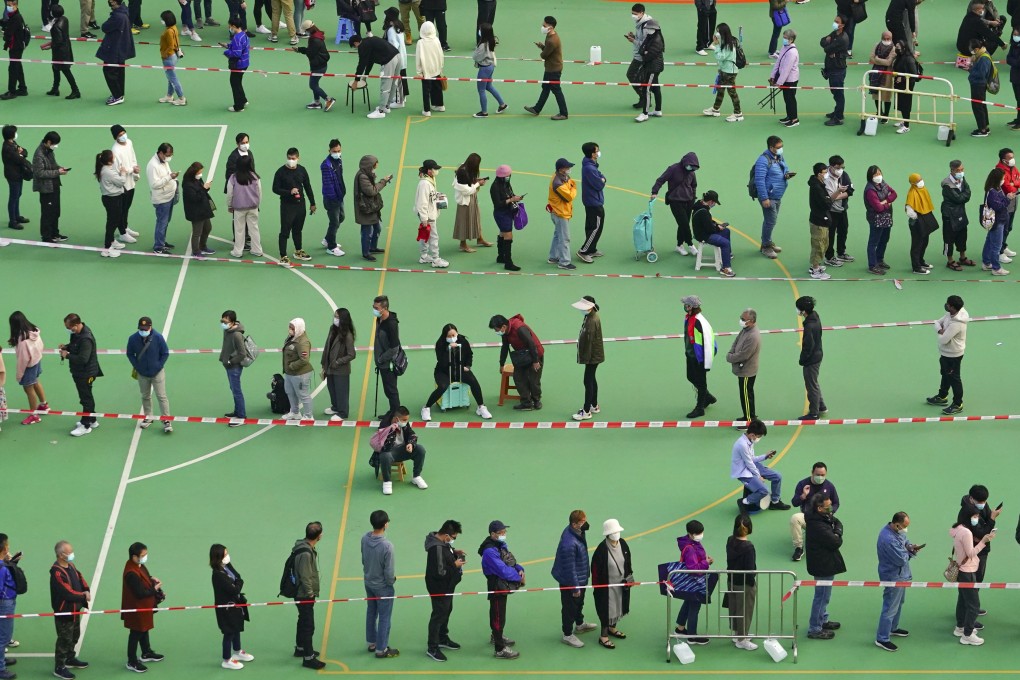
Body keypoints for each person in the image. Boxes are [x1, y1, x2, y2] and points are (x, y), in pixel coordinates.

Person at [420, 323, 492, 421]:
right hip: (443, 371)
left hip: (459, 369)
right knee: (443, 386)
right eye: (449, 336)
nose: (452, 338)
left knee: (473, 382)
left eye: (453, 335)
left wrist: (468, 366)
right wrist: (448, 350)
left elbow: (469, 354)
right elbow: (442, 362)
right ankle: (426, 408)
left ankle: (481, 407)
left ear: (457, 333)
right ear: (445, 336)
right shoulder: (440, 344)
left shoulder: (463, 341)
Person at [875, 513, 920, 652]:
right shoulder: (887, 539)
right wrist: (910, 552)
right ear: (896, 524)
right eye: (904, 527)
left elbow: (904, 541)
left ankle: (893, 628)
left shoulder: (895, 531)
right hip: (892, 576)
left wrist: (909, 546)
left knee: (899, 602)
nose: (905, 529)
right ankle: (882, 638)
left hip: (900, 575)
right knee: (890, 607)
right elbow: (901, 559)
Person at [552, 510, 597, 648]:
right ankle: (567, 635)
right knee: (569, 608)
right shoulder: (569, 543)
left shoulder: (577, 532)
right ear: (574, 524)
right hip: (571, 580)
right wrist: (575, 587)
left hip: (580, 576)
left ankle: (579, 624)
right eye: (582, 522)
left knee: (579, 603)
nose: (585, 524)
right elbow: (569, 568)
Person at [478, 520, 523, 659]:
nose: (504, 534)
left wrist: (519, 568)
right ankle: (499, 649)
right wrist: (518, 578)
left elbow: (509, 560)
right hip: (496, 585)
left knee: (498, 612)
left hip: (501, 584)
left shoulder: (500, 545)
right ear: (493, 534)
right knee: (498, 615)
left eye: (505, 532)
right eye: (501, 533)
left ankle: (496, 636)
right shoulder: (489, 551)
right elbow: (502, 570)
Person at [805, 493, 845, 640]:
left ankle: (822, 619)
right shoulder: (817, 525)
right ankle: (815, 628)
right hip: (823, 565)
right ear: (819, 508)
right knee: (821, 596)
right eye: (828, 507)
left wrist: (837, 532)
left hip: (824, 562)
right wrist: (837, 534)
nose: (831, 510)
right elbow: (835, 543)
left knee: (824, 595)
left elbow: (838, 523)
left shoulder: (822, 517)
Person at [121, 542, 165, 673]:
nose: (145, 557)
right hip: (136, 608)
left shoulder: (138, 565)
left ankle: (146, 652)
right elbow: (140, 593)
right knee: (136, 633)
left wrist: (151, 579)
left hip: (144, 607)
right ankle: (132, 661)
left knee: (144, 629)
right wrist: (154, 589)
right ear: (134, 556)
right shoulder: (131, 573)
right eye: (143, 555)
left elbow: (144, 579)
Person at [424, 519, 464, 662]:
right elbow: (440, 572)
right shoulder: (437, 549)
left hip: (447, 586)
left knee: (447, 610)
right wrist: (455, 564)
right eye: (453, 538)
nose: (453, 540)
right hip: (439, 587)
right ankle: (432, 648)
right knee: (439, 614)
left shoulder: (442, 544)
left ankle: (442, 638)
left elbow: (445, 554)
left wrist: (454, 552)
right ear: (446, 535)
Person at [50, 541, 90, 680]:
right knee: (64, 640)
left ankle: (70, 658)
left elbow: (80, 578)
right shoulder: (56, 572)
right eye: (69, 552)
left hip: (75, 610)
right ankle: (59, 667)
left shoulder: (71, 565)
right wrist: (83, 595)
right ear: (61, 555)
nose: (72, 554)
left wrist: (86, 589)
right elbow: (67, 593)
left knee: (74, 635)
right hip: (64, 611)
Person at [209, 544, 254, 670]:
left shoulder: (227, 566)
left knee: (237, 628)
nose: (228, 556)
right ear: (219, 557)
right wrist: (238, 584)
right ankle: (226, 659)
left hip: (235, 605)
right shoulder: (218, 575)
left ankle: (237, 651)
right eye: (225, 554)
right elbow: (234, 589)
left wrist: (237, 583)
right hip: (226, 608)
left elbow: (238, 577)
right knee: (229, 632)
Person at [956, 485, 999, 613]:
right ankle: (968, 616)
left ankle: (971, 609)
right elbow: (981, 533)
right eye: (980, 502)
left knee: (977, 583)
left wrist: (988, 520)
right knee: (970, 586)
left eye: (985, 501)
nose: (983, 504)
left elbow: (982, 528)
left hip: (981, 551)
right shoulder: (969, 512)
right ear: (971, 498)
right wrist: (992, 518)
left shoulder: (981, 502)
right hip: (972, 554)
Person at [950, 515, 993, 645]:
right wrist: (983, 541)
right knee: (974, 605)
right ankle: (967, 635)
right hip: (967, 572)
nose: (978, 520)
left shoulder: (958, 530)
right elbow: (971, 553)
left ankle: (960, 627)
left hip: (962, 571)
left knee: (963, 600)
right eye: (975, 517)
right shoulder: (967, 532)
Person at [58, 313, 102, 438]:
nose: (68, 330)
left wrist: (67, 355)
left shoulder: (86, 338)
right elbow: (75, 347)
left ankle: (85, 425)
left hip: (86, 373)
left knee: (85, 398)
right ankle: (92, 420)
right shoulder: (77, 334)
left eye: (69, 327)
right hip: (80, 372)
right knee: (86, 395)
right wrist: (66, 347)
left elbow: (83, 359)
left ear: (76, 325)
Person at [591, 519, 632, 651]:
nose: (616, 534)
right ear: (608, 534)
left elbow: (628, 562)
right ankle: (603, 637)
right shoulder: (601, 549)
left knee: (618, 607)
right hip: (606, 588)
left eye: (617, 531)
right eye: (614, 532)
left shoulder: (624, 544)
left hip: (621, 585)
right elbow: (595, 570)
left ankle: (612, 628)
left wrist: (630, 578)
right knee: (606, 610)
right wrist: (597, 587)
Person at [126, 316, 172, 433]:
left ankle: (166, 420)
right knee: (145, 396)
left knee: (161, 396)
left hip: (157, 373)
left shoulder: (158, 337)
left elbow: (165, 353)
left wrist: (158, 366)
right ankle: (148, 417)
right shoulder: (133, 339)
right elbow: (130, 353)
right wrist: (137, 366)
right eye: (141, 328)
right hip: (142, 374)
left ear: (150, 327)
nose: (143, 331)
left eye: (145, 329)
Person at [731, 419, 788, 513]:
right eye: (759, 436)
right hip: (743, 471)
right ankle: (744, 502)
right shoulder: (742, 445)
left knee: (777, 476)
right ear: (753, 435)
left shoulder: (750, 440)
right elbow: (749, 463)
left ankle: (775, 501)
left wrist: (765, 456)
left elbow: (752, 459)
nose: (759, 438)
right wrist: (759, 476)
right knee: (764, 491)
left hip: (752, 465)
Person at [362, 510, 398, 658]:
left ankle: (372, 642)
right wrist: (392, 581)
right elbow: (389, 571)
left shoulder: (365, 538)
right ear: (385, 525)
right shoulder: (387, 546)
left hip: (368, 581)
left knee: (371, 611)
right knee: (384, 616)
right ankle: (381, 649)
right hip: (383, 587)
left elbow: (364, 559)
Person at [490, 313, 544, 411]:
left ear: (503, 326)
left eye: (496, 329)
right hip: (521, 356)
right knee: (518, 377)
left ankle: (536, 400)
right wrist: (501, 364)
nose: (496, 332)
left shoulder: (519, 328)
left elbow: (531, 344)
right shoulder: (505, 332)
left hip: (535, 354)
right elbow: (505, 347)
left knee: (534, 379)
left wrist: (536, 361)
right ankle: (526, 402)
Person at [272, 147, 316, 264]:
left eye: (293, 158)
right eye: (289, 158)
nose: (291, 160)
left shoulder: (302, 170)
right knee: (285, 231)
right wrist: (289, 192)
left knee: (298, 229)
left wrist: (312, 203)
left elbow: (307, 187)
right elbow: (275, 188)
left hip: (300, 205)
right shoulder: (280, 172)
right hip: (287, 206)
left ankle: (298, 251)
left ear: (298, 158)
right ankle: (283, 256)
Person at [927, 295, 969, 415]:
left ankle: (957, 404)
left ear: (953, 307)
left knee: (954, 379)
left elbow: (943, 340)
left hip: (953, 355)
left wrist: (940, 331)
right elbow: (937, 322)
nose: (946, 305)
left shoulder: (957, 324)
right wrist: (940, 330)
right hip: (946, 354)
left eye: (948, 304)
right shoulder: (950, 314)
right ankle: (942, 396)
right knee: (945, 374)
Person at [650, 152, 699, 255]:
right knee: (684, 223)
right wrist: (654, 192)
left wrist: (693, 197)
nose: (691, 168)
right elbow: (660, 180)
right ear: (685, 162)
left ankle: (679, 245)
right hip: (675, 201)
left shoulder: (692, 172)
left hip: (689, 201)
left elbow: (694, 185)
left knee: (683, 224)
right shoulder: (673, 169)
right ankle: (690, 244)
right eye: (691, 166)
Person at [291, 522, 325, 669]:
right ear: (319, 536)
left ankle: (300, 648)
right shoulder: (305, 553)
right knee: (308, 625)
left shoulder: (302, 547)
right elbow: (305, 577)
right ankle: (308, 658)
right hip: (304, 594)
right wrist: (311, 594)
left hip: (301, 593)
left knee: (302, 620)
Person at [789, 462, 839, 561]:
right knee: (795, 518)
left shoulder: (829, 486)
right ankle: (799, 548)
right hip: (807, 517)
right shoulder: (802, 484)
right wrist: (803, 495)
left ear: (826, 474)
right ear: (812, 472)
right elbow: (794, 503)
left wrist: (829, 511)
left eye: (822, 475)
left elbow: (836, 503)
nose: (820, 477)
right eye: (817, 474)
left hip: (824, 519)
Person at [672, 520, 711, 645]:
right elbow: (694, 569)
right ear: (690, 534)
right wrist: (706, 563)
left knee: (688, 602)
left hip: (689, 582)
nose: (700, 534)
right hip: (695, 582)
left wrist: (704, 559)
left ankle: (680, 628)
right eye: (698, 533)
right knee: (695, 606)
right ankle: (692, 636)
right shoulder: (690, 549)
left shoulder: (691, 543)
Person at [753, 136, 791, 259]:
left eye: (782, 146)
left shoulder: (778, 157)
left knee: (770, 221)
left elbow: (785, 167)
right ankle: (765, 247)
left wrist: (786, 175)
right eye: (778, 147)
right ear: (771, 147)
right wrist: (764, 198)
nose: (781, 149)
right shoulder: (762, 161)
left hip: (777, 195)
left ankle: (768, 242)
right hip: (769, 197)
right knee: (770, 221)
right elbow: (759, 180)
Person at [523, 16, 568, 121]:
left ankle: (564, 113)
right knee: (546, 88)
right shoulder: (551, 35)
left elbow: (544, 55)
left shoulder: (552, 40)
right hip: (550, 67)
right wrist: (543, 47)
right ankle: (537, 109)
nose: (542, 27)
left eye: (544, 26)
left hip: (553, 69)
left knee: (556, 90)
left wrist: (543, 49)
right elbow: (549, 51)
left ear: (550, 27)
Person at [7, 311, 47, 425]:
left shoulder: (23, 341)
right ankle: (44, 405)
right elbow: (41, 345)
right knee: (36, 382)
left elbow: (22, 361)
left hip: (28, 366)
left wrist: (19, 375)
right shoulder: (34, 330)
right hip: (37, 361)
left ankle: (34, 415)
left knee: (28, 389)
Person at [350, 33, 400, 120]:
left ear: (355, 43)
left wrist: (356, 81)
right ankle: (386, 106)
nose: (356, 48)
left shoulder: (362, 46)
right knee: (393, 83)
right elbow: (370, 61)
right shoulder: (369, 41)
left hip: (389, 60)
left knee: (385, 85)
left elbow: (361, 64)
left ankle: (380, 111)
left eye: (355, 47)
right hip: (398, 56)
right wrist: (365, 75)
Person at [681, 295, 716, 418]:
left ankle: (700, 407)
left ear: (690, 306)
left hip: (699, 358)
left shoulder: (699, 322)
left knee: (701, 383)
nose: (684, 306)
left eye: (686, 304)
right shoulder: (690, 318)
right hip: (691, 355)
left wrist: (705, 361)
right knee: (690, 377)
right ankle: (708, 397)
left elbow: (708, 342)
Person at [727, 514, 758, 650]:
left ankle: (737, 633)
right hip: (744, 583)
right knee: (745, 610)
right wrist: (752, 583)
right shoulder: (748, 547)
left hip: (732, 579)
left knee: (734, 608)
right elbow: (750, 568)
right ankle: (742, 638)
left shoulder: (730, 541)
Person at [353, 155, 392, 261]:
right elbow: (372, 191)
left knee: (377, 228)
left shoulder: (367, 174)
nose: (376, 165)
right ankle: (366, 253)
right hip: (366, 209)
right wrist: (383, 181)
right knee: (367, 231)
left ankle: (372, 247)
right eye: (375, 163)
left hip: (371, 207)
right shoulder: (363, 177)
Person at [570, 296, 603, 421]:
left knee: (587, 381)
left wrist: (586, 359)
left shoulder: (591, 321)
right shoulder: (590, 316)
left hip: (592, 356)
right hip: (594, 355)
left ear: (590, 307)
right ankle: (594, 405)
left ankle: (586, 411)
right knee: (591, 379)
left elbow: (588, 343)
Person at [32, 131, 68, 244]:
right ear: (48, 142)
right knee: (47, 213)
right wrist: (57, 172)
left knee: (56, 211)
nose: (55, 146)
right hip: (46, 189)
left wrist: (60, 168)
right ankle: (46, 236)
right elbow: (40, 173)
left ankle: (55, 233)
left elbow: (53, 165)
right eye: (54, 143)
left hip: (54, 185)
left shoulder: (49, 151)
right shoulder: (39, 154)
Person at [96, 0, 134, 105]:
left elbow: (105, 27)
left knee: (109, 71)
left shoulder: (117, 17)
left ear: (114, 2)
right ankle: (119, 93)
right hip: (121, 48)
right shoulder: (124, 11)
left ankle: (117, 96)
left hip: (114, 49)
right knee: (119, 71)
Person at [726, 308, 760, 425]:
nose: (740, 321)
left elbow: (744, 355)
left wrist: (730, 357)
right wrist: (731, 352)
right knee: (747, 393)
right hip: (743, 369)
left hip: (747, 370)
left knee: (746, 395)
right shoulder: (745, 330)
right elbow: (736, 341)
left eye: (743, 319)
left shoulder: (753, 336)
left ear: (751, 321)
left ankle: (748, 421)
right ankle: (749, 415)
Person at [371, 296, 402, 426]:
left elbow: (394, 349)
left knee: (391, 391)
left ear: (384, 308)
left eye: (376, 308)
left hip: (388, 364)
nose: (374, 310)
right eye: (373, 307)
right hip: (382, 363)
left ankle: (395, 418)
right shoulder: (380, 319)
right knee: (388, 390)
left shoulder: (391, 325)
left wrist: (381, 358)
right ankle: (392, 411)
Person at [453, 153, 491, 254]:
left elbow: (469, 183)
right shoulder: (462, 173)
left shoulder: (465, 168)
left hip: (471, 198)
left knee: (476, 218)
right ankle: (463, 244)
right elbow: (466, 191)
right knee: (464, 222)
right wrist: (478, 183)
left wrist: (475, 181)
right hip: (465, 201)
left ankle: (479, 238)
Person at [703, 23, 742, 122]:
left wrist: (716, 46)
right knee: (720, 90)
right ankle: (716, 109)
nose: (716, 33)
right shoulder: (726, 41)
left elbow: (721, 56)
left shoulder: (729, 44)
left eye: (718, 31)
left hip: (730, 72)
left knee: (732, 92)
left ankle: (738, 113)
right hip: (724, 70)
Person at [321, 308, 355, 420]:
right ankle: (335, 407)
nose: (335, 318)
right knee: (332, 388)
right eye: (335, 316)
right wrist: (324, 364)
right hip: (330, 366)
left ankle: (343, 412)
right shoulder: (332, 329)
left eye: (337, 317)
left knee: (341, 391)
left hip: (340, 369)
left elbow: (351, 354)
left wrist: (338, 362)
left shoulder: (348, 335)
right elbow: (327, 346)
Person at [691, 190, 735, 277]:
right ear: (711, 201)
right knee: (725, 243)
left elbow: (708, 222)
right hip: (704, 235)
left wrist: (718, 226)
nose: (714, 204)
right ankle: (725, 268)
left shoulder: (700, 205)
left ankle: (727, 255)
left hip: (704, 231)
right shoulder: (703, 211)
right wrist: (718, 228)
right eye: (714, 202)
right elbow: (710, 229)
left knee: (726, 231)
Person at [226, 155, 263, 257]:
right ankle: (257, 249)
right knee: (254, 228)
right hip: (253, 207)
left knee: (239, 229)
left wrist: (230, 205)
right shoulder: (256, 177)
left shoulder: (233, 178)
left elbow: (230, 194)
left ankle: (238, 251)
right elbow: (259, 192)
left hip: (239, 208)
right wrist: (257, 204)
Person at [145, 143, 178, 255]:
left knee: (165, 221)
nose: (169, 157)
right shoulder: (153, 165)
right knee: (162, 223)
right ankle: (158, 247)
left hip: (169, 196)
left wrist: (171, 176)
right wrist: (170, 177)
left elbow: (166, 175)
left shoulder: (164, 161)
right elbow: (154, 184)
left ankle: (162, 241)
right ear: (161, 153)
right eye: (168, 154)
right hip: (162, 200)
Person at [295, 20, 336, 112]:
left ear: (309, 29)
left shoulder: (315, 40)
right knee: (315, 84)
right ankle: (317, 102)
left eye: (306, 30)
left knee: (313, 85)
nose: (305, 32)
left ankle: (328, 99)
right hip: (320, 64)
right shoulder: (318, 34)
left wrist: (299, 49)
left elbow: (310, 53)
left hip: (318, 66)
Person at [797, 296, 827, 419]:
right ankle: (821, 406)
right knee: (814, 382)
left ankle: (814, 413)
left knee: (811, 385)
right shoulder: (815, 316)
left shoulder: (809, 326)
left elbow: (808, 346)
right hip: (818, 354)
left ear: (803, 311)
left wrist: (803, 359)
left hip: (812, 359)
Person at [110, 124, 141, 244]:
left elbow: (133, 157)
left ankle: (125, 227)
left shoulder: (129, 142)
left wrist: (135, 169)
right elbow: (119, 169)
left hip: (131, 181)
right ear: (116, 138)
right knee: (121, 209)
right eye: (120, 135)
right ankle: (122, 233)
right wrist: (131, 170)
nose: (123, 136)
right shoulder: (115, 151)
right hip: (122, 184)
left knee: (127, 207)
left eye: (123, 133)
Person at [0, 535, 25, 680]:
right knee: (3, 637)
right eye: (7, 545)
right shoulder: (1, 569)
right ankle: (0, 668)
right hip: (5, 603)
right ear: (3, 548)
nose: (9, 547)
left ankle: (1, 660)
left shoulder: (3, 564)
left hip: (7, 601)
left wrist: (10, 562)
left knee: (4, 635)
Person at [941, 161, 974, 270]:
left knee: (962, 235)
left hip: (960, 211)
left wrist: (963, 196)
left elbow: (968, 192)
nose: (961, 172)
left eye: (962, 169)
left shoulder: (962, 179)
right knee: (949, 238)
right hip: (949, 214)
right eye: (958, 170)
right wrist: (964, 196)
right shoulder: (947, 185)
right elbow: (959, 198)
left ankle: (962, 258)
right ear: (952, 170)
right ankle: (950, 261)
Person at [864, 166, 897, 274]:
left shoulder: (883, 183)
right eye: (875, 175)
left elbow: (894, 194)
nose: (878, 176)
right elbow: (878, 208)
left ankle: (879, 259)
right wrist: (887, 204)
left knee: (884, 239)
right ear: (870, 177)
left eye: (879, 173)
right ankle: (872, 266)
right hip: (876, 219)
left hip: (886, 217)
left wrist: (885, 201)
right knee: (873, 242)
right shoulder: (870, 190)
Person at [823, 155, 855, 266]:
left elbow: (850, 190)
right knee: (830, 234)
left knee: (843, 230)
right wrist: (838, 194)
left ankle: (841, 253)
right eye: (837, 167)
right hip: (830, 211)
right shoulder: (824, 177)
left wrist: (836, 196)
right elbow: (826, 198)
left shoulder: (843, 175)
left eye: (842, 167)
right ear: (830, 167)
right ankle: (829, 257)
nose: (840, 170)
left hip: (842, 209)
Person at [95, 149, 126, 259]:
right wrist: (123, 173)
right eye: (112, 157)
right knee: (112, 223)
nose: (114, 158)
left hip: (111, 198)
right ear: (109, 161)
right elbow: (121, 182)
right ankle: (107, 249)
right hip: (112, 199)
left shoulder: (105, 169)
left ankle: (112, 241)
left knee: (114, 220)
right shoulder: (108, 172)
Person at [577, 142, 606, 263]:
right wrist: (603, 180)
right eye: (597, 151)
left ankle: (592, 249)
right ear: (592, 154)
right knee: (596, 227)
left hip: (591, 201)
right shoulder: (589, 168)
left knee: (591, 225)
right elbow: (599, 183)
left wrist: (602, 178)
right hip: (594, 202)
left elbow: (600, 175)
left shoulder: (590, 164)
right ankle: (584, 250)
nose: (598, 153)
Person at [490, 164, 522, 271]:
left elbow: (509, 194)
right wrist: (511, 200)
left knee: (502, 233)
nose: (509, 177)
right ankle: (508, 262)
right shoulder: (494, 187)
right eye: (508, 175)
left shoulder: (506, 183)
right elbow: (498, 204)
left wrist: (515, 197)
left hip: (507, 212)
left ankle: (501, 256)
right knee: (508, 236)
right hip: (501, 214)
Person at [547, 157, 577, 270]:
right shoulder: (558, 183)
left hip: (559, 211)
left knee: (557, 234)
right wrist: (574, 188)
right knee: (565, 238)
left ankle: (553, 257)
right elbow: (569, 196)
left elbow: (570, 183)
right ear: (561, 169)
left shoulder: (561, 176)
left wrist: (571, 186)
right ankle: (564, 262)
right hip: (560, 213)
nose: (569, 169)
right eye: (567, 167)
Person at [413, 159, 445, 267]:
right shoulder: (424, 184)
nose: (436, 171)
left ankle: (424, 256)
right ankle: (436, 259)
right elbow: (422, 202)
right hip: (427, 214)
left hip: (428, 213)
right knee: (433, 236)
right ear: (429, 170)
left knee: (425, 235)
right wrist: (424, 219)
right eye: (435, 169)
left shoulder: (430, 179)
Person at [280, 318, 313, 420]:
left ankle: (308, 416)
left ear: (298, 328)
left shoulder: (303, 342)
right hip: (290, 373)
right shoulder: (292, 338)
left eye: (292, 328)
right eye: (290, 327)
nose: (290, 329)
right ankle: (294, 412)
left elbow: (304, 360)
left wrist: (291, 366)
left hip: (300, 374)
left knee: (303, 394)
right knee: (290, 392)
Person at [903, 173, 936, 274]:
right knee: (917, 244)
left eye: (921, 179)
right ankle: (916, 267)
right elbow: (909, 211)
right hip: (917, 222)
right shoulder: (912, 193)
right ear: (913, 183)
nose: (920, 182)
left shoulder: (923, 190)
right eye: (917, 181)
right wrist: (919, 217)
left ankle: (921, 261)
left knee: (925, 241)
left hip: (924, 219)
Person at [820, 15, 850, 126]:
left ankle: (838, 117)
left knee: (838, 93)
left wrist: (828, 44)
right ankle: (837, 111)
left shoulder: (842, 38)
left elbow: (826, 48)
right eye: (834, 21)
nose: (835, 23)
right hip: (832, 68)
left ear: (842, 25)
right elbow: (822, 41)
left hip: (837, 70)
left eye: (837, 21)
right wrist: (827, 43)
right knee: (835, 92)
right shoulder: (835, 33)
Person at [219, 309, 246, 426]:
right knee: (233, 389)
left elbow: (242, 353)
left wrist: (231, 361)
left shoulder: (237, 335)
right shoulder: (228, 331)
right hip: (228, 365)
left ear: (232, 322)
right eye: (222, 321)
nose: (223, 323)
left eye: (225, 321)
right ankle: (237, 411)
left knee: (236, 391)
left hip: (234, 367)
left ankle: (241, 416)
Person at [319, 139, 346, 257]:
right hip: (332, 199)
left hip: (339, 196)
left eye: (339, 150)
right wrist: (334, 198)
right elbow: (328, 185)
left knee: (341, 217)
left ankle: (327, 239)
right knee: (334, 222)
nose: (337, 153)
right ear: (329, 150)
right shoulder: (326, 165)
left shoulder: (339, 160)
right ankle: (331, 247)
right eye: (334, 151)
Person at [472, 22, 506, 118]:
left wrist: (475, 51)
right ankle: (502, 105)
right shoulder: (491, 41)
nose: (479, 31)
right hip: (490, 67)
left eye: (480, 30)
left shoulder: (483, 45)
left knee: (481, 90)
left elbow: (475, 57)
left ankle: (484, 112)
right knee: (489, 87)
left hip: (484, 69)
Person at [981, 167, 1011, 275]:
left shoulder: (997, 188)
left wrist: (1007, 197)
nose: (1004, 180)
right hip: (997, 222)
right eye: (1003, 178)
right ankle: (996, 268)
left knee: (989, 241)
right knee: (996, 247)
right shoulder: (992, 192)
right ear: (997, 179)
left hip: (999, 220)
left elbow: (1000, 202)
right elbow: (999, 206)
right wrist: (1008, 199)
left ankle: (986, 262)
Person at [181, 161, 214, 258]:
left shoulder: (197, 180)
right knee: (197, 232)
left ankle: (202, 246)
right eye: (199, 172)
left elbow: (201, 190)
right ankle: (196, 251)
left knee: (208, 228)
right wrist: (204, 189)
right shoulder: (187, 185)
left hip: (203, 209)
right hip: (195, 212)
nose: (200, 174)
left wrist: (206, 188)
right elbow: (195, 198)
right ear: (193, 173)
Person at [807, 162, 833, 280]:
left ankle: (816, 265)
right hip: (818, 221)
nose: (827, 174)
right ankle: (815, 269)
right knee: (818, 245)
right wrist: (829, 200)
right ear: (819, 174)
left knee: (824, 243)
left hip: (823, 220)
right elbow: (826, 203)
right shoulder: (816, 187)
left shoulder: (820, 184)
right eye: (825, 172)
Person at [47, 5, 79, 98]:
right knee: (55, 68)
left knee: (66, 71)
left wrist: (50, 46)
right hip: (65, 49)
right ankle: (55, 88)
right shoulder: (64, 19)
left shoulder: (56, 26)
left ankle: (75, 90)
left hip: (60, 52)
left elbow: (58, 41)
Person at [770, 29, 800, 127]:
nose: (784, 39)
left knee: (790, 99)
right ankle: (789, 116)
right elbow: (778, 62)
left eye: (786, 38)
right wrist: (772, 76)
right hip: (784, 79)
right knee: (786, 99)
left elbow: (786, 69)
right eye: (784, 37)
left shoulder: (792, 52)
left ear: (791, 40)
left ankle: (794, 119)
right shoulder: (784, 47)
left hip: (791, 80)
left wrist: (779, 83)